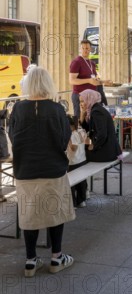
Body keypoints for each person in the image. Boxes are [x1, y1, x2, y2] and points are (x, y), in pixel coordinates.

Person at [8, 67, 75, 277]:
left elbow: (12, 136)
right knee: (55, 214)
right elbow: (66, 140)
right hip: (53, 169)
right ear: (48, 84)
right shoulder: (57, 109)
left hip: (25, 170)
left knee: (29, 215)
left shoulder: (18, 109)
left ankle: (30, 261)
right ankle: (56, 257)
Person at [79, 89, 122, 162]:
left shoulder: (97, 112)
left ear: (89, 100)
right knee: (80, 150)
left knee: (79, 155)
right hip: (107, 149)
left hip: (107, 152)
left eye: (83, 101)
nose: (81, 104)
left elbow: (102, 134)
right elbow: (88, 129)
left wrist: (94, 146)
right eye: (80, 102)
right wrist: (82, 116)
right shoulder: (94, 109)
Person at [69, 40, 105, 120]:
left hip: (91, 97)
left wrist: (104, 82)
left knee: (90, 121)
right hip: (80, 96)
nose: (85, 50)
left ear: (90, 49)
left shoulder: (92, 63)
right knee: (80, 120)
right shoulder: (76, 62)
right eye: (83, 48)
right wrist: (88, 80)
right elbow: (72, 80)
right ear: (80, 49)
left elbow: (94, 80)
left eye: (87, 48)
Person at [66, 115, 88, 208]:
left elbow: (73, 148)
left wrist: (68, 140)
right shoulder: (81, 131)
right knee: (82, 182)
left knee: (72, 184)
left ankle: (73, 204)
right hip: (82, 160)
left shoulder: (71, 135)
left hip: (73, 162)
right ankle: (81, 200)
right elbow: (88, 143)